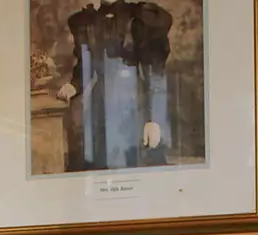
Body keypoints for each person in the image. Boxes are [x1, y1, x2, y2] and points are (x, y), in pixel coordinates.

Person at [57, 0, 174, 171]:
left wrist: (154, 119)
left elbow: (155, 74)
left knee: (133, 164)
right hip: (100, 102)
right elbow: (86, 64)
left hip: (132, 102)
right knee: (101, 165)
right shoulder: (88, 20)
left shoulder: (139, 18)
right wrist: (75, 84)